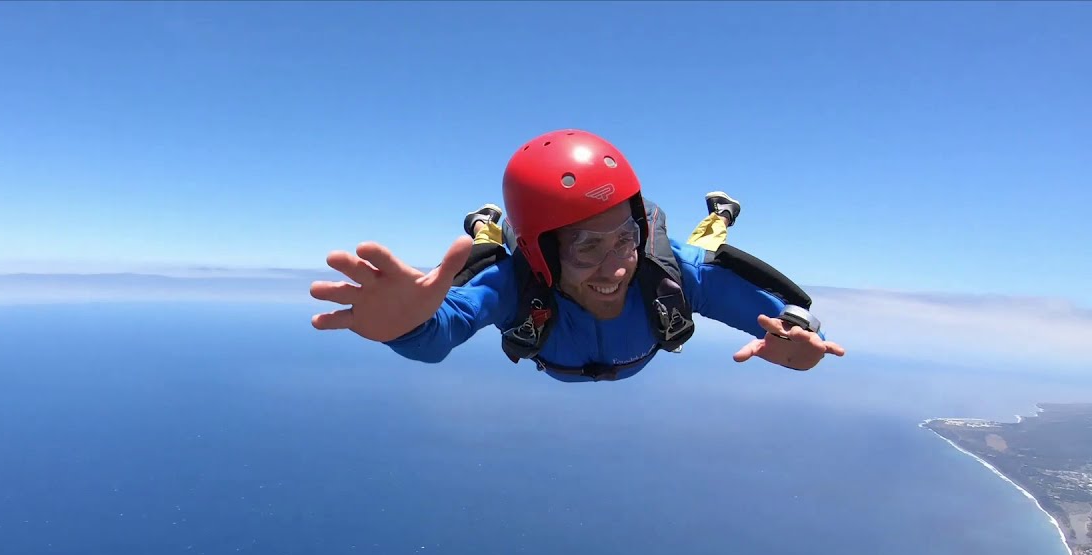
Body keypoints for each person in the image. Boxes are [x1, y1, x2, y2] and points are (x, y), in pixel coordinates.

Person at [309, 129, 845, 382]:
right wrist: (405, 328)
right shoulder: (515, 281)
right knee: (489, 251)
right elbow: (443, 328)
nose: (614, 267)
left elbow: (776, 314)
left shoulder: (665, 269)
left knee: (702, 251)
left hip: (670, 263)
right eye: (585, 247)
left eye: (622, 239)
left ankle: (720, 214)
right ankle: (485, 226)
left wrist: (800, 344)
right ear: (541, 253)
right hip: (517, 255)